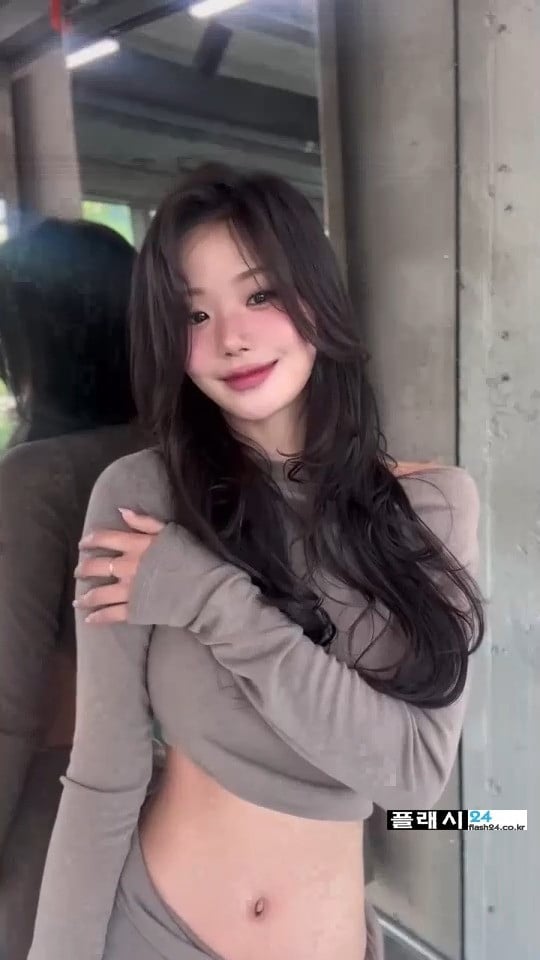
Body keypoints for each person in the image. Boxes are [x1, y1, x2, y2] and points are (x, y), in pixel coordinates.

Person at [29, 166, 484, 960]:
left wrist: (215, 600)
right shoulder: (139, 498)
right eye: (194, 314)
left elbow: (414, 774)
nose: (230, 338)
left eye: (260, 294)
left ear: (316, 297)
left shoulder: (431, 507)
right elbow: (104, 775)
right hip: (149, 932)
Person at [0, 218, 145, 960]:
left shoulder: (37, 479)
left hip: (53, 817)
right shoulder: (180, 456)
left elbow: (9, 707)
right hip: (177, 810)